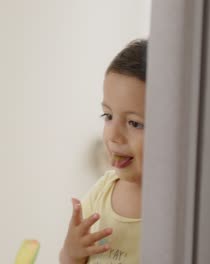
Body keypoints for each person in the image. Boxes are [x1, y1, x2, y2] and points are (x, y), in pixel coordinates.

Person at [60, 39, 147, 264]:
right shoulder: (101, 194)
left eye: (134, 123)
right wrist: (71, 253)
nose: (114, 136)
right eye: (108, 116)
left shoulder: (176, 206)